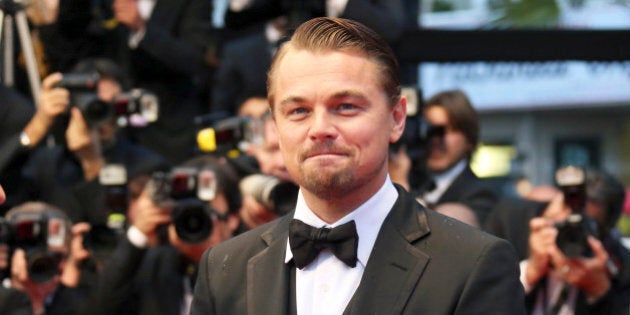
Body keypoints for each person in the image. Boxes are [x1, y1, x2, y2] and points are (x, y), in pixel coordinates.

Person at [190, 17, 526, 314]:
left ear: (396, 119)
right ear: (276, 127)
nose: (320, 128)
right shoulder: (223, 269)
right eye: (299, 111)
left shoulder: (471, 265)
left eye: (346, 106)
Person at [17, 58, 170, 227]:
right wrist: (37, 126)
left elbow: (120, 235)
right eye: (94, 103)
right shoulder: (45, 164)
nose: (102, 114)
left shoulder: (147, 165)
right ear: (71, 104)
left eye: (111, 104)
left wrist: (92, 162)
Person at [88, 155, 242, 315]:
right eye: (186, 208)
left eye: (205, 209)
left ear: (233, 218)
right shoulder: (154, 266)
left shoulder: (253, 262)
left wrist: (210, 259)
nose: (193, 218)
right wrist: (137, 235)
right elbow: (99, 309)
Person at [420, 89, 499, 226]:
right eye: (431, 129)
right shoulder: (412, 183)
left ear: (470, 140)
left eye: (450, 130)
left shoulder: (481, 194)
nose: (437, 139)